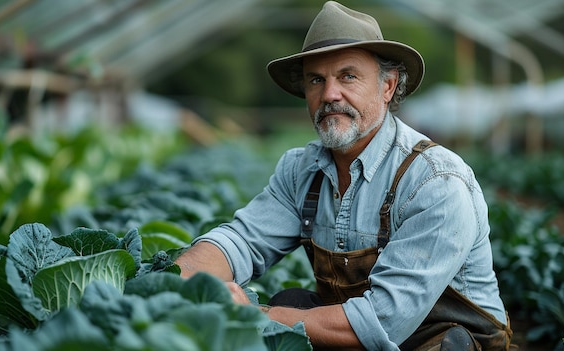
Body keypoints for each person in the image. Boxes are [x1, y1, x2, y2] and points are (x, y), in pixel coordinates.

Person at [176, 2, 513, 350]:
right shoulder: (301, 170)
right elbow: (241, 243)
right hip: (357, 336)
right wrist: (179, 279)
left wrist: (258, 315)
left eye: (348, 76)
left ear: (387, 87)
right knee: (291, 302)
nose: (329, 94)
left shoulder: (434, 181)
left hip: (435, 339)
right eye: (316, 80)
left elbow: (382, 321)